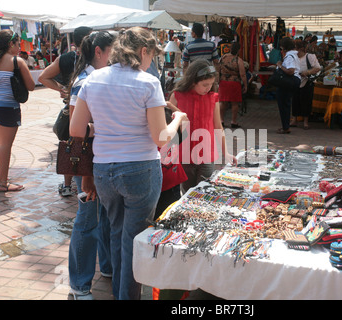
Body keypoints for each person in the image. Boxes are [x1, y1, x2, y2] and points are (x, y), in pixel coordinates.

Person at [70, 27, 187, 300]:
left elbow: (76, 129)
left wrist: (108, 127)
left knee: (116, 231)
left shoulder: (94, 78)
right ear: (143, 51)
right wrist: (178, 119)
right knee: (134, 240)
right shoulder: (147, 82)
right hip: (139, 169)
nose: (151, 63)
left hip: (104, 170)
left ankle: (120, 293)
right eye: (151, 56)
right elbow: (160, 137)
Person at [66, 31, 116, 300]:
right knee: (87, 221)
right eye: (112, 51)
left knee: (104, 218)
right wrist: (86, 175)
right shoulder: (86, 81)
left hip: (101, 160)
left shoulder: (96, 78)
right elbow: (77, 133)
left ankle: (106, 268)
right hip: (89, 162)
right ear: (99, 51)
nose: (115, 56)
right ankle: (79, 286)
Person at [168, 59, 237, 194]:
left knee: (204, 191)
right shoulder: (177, 96)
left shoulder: (213, 98)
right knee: (188, 194)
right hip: (184, 155)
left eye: (211, 84)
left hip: (207, 154)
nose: (209, 88)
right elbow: (171, 128)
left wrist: (225, 152)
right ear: (193, 81)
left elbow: (218, 126)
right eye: (205, 84)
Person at [39, 26, 92, 197]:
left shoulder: (67, 57)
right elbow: (42, 78)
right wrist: (63, 89)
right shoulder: (94, 59)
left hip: (72, 108)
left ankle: (68, 185)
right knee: (80, 143)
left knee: (71, 144)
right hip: (86, 111)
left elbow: (43, 77)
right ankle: (82, 182)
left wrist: (63, 89)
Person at [0, 30, 35, 191]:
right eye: (17, 44)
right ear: (10, 44)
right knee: (5, 144)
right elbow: (31, 86)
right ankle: (2, 183)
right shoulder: (17, 61)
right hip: (7, 106)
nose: (19, 47)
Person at [291, 41, 321, 130]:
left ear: (300, 49)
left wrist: (307, 72)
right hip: (296, 81)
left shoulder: (310, 57)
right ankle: (294, 119)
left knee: (306, 101)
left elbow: (318, 67)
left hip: (307, 81)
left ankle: (305, 121)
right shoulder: (293, 57)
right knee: (295, 100)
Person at [275, 37, 301, 134]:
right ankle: (285, 126)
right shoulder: (294, 55)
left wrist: (280, 65)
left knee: (283, 104)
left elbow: (291, 71)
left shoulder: (290, 56)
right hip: (294, 81)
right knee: (285, 104)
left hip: (289, 81)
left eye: (282, 48)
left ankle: (285, 127)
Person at [218, 41, 247, 128]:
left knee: (223, 102)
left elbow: (218, 69)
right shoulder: (239, 60)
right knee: (235, 103)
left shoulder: (223, 58)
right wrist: (245, 85)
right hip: (234, 83)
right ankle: (233, 121)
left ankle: (221, 120)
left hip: (223, 82)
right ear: (239, 50)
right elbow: (242, 74)